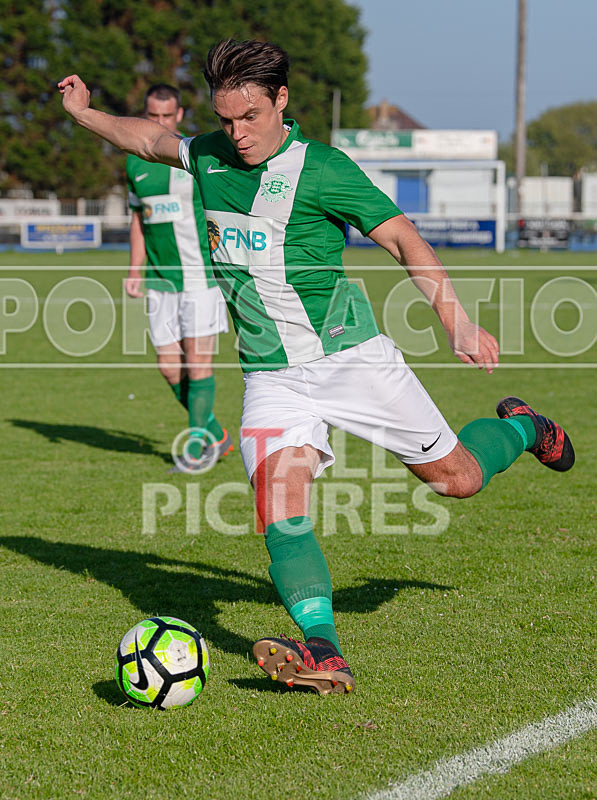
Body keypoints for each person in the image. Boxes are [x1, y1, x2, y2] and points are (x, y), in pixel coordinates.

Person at [58, 39, 574, 695]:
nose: (237, 134)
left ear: (281, 100)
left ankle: (524, 427)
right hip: (270, 377)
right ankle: (323, 648)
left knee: (457, 480)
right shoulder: (209, 155)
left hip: (350, 359)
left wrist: (457, 321)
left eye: (250, 117)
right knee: (278, 505)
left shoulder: (323, 169)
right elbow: (150, 140)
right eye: (225, 120)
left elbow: (401, 238)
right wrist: (86, 114)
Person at [125, 83, 232, 473]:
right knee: (170, 368)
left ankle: (197, 447)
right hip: (160, 282)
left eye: (167, 116)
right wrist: (134, 269)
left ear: (180, 115)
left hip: (201, 279)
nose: (160, 122)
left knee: (198, 365)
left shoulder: (195, 158)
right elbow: (139, 220)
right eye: (153, 116)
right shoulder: (134, 162)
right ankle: (217, 434)